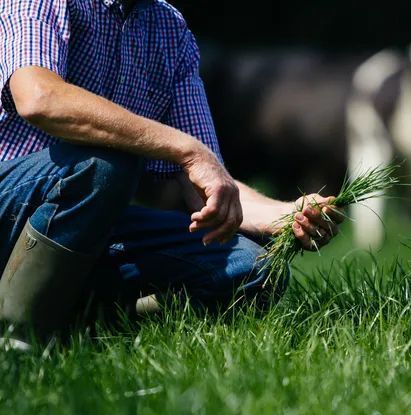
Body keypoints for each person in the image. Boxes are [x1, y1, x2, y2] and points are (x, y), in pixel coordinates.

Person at [0, 0, 342, 348]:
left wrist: (285, 215)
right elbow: (38, 98)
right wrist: (184, 147)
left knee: (251, 269)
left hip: (86, 229)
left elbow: (207, 184)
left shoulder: (168, 27)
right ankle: (16, 339)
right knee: (103, 163)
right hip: (10, 205)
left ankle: (84, 328)